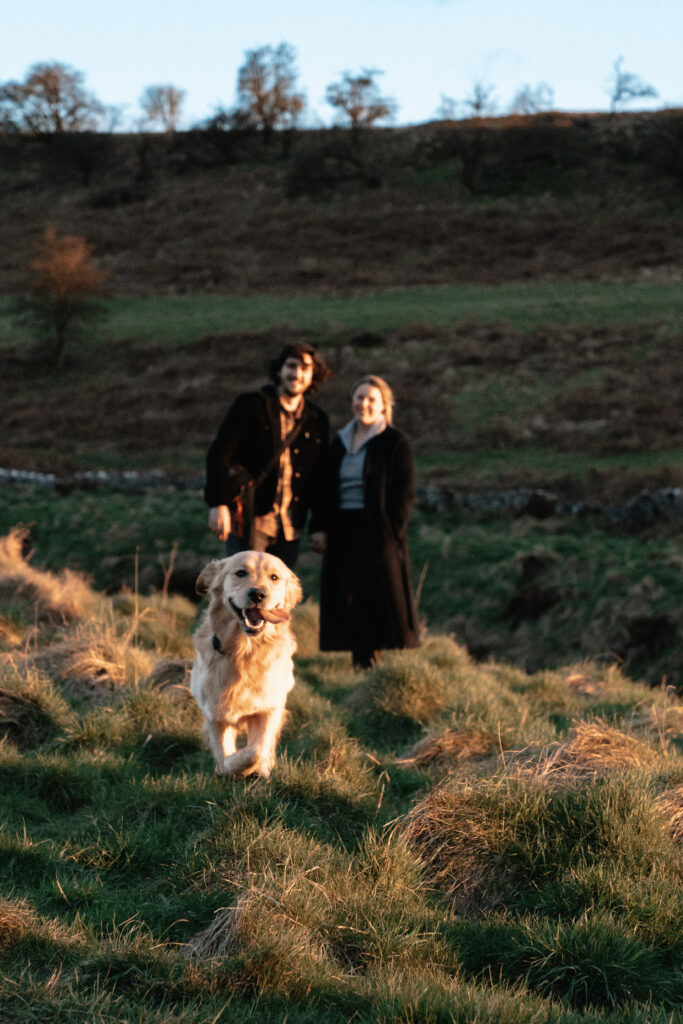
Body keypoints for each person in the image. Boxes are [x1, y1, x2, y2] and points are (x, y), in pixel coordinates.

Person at [309, 374, 420, 668]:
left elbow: (403, 493)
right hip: (341, 528)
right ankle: (360, 661)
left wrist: (391, 532)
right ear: (352, 402)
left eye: (372, 399)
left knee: (375, 597)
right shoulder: (339, 443)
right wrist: (319, 527)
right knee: (346, 596)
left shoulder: (395, 443)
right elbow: (323, 488)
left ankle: (373, 665)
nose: (364, 404)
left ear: (384, 405)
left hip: (376, 531)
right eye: (360, 398)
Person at [204, 343, 331, 569]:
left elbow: (321, 479)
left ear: (313, 375)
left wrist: (319, 526)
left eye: (305, 368)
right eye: (292, 366)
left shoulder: (317, 419)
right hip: (250, 518)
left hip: (290, 526)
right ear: (280, 370)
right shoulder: (251, 405)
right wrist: (218, 503)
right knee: (243, 590)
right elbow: (220, 452)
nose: (297, 374)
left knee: (277, 599)